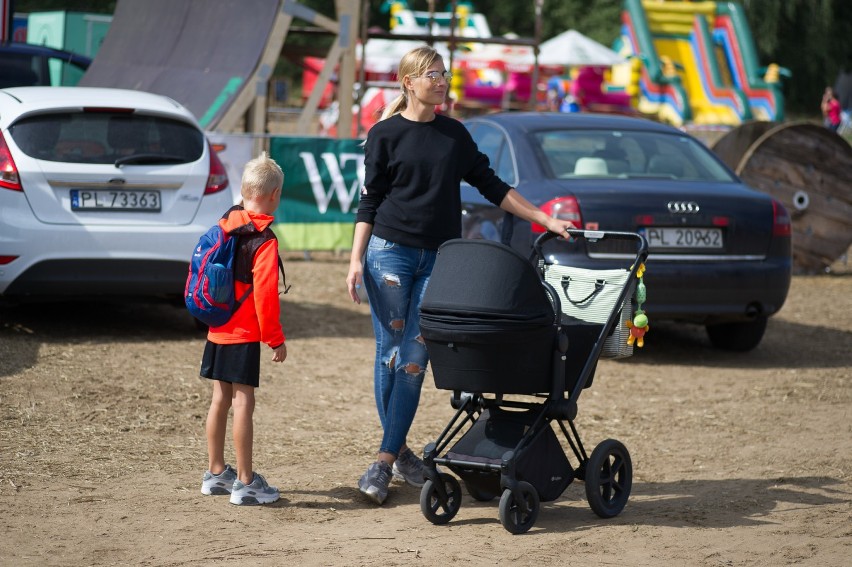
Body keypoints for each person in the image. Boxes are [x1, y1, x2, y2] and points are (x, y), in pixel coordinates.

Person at [345, 45, 576, 506]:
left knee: (415, 357)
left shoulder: (456, 136)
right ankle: (399, 454)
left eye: (445, 74)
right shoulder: (384, 134)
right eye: (434, 74)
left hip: (439, 260)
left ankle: (384, 461)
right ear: (409, 81)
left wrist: (544, 219)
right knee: (390, 353)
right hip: (388, 256)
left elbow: (494, 187)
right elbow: (368, 203)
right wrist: (354, 260)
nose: (443, 80)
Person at [199, 152, 288, 506]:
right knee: (243, 402)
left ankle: (216, 473)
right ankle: (247, 482)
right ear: (274, 195)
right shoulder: (263, 239)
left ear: (243, 189)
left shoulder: (223, 224)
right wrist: (275, 339)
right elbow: (266, 297)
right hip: (244, 334)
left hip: (217, 328)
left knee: (219, 399)